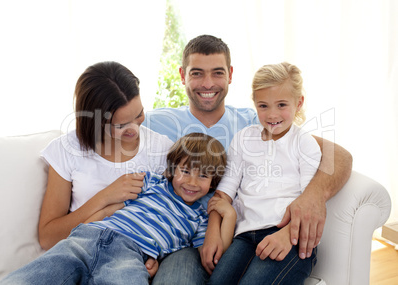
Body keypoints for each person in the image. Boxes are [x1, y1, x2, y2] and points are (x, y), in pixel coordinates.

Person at [143, 35, 352, 284]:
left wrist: (313, 198)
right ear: (182, 75)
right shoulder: (156, 122)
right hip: (192, 238)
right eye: (197, 73)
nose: (208, 83)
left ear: (230, 74)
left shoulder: (263, 125)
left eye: (217, 73)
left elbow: (338, 155)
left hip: (258, 232)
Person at [0, 133, 234, 285]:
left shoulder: (198, 219)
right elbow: (112, 206)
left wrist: (228, 213)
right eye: (185, 171)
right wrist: (89, 224)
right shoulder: (151, 182)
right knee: (35, 276)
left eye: (203, 176)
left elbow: (215, 254)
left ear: (212, 183)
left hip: (131, 255)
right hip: (90, 236)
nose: (192, 182)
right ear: (172, 169)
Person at [37, 61, 173, 276]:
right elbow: (48, 237)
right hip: (77, 251)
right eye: (120, 125)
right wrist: (104, 198)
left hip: (127, 259)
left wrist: (156, 256)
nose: (134, 129)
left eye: (139, 115)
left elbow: (172, 218)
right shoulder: (67, 149)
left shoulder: (161, 150)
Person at [208, 62, 321, 284]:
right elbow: (224, 193)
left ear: (298, 103)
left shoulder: (304, 143)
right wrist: (212, 233)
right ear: (254, 105)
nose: (272, 115)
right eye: (263, 106)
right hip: (244, 237)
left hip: (289, 237)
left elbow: (310, 203)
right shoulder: (243, 139)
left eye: (281, 105)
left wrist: (288, 235)